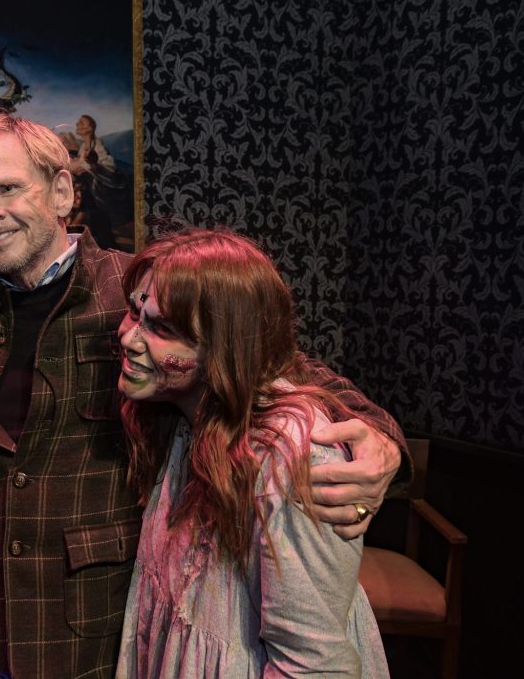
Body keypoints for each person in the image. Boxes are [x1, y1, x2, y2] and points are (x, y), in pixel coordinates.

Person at [0, 116, 407, 679]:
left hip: (100, 634)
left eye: (8, 188)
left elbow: (274, 371)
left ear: (64, 193)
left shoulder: (137, 296)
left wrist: (381, 438)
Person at [114, 229, 389, 677]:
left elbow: (312, 665)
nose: (129, 337)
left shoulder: (292, 453)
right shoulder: (181, 415)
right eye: (134, 312)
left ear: (226, 346)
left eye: (162, 328)